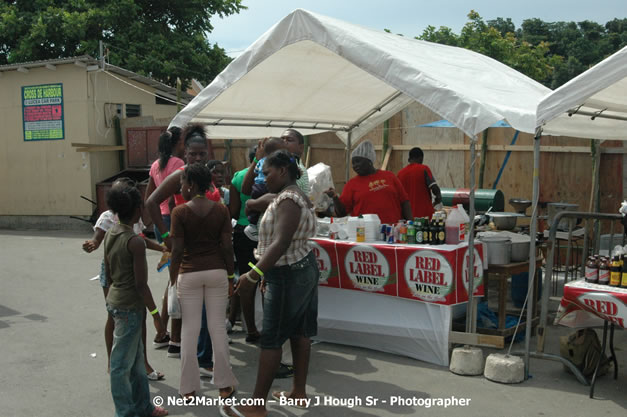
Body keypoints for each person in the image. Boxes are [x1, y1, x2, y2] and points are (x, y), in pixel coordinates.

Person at [220, 150, 319, 417]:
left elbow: (280, 243)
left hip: (287, 273)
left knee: (272, 338)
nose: (264, 178)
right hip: (302, 267)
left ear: (283, 171)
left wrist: (252, 275)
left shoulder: (288, 199)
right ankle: (299, 392)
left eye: (268, 173)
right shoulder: (295, 196)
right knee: (299, 332)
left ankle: (256, 406)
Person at [83, 177, 167, 381]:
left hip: (129, 270)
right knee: (116, 316)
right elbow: (98, 238)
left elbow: (141, 239)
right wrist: (157, 314)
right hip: (116, 273)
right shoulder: (108, 219)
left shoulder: (131, 219)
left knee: (134, 317)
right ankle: (114, 364)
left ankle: (143, 363)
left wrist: (164, 247)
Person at [144, 124, 215, 365]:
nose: (197, 157)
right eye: (192, 153)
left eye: (201, 153)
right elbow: (151, 202)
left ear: (207, 153)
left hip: (206, 246)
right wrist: (166, 237)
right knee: (183, 291)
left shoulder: (207, 175)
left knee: (191, 295)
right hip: (185, 244)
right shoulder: (180, 174)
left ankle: (180, 343)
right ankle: (188, 348)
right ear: (184, 154)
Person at [169, 163, 238, 400]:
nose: (181, 187)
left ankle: (188, 388)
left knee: (190, 329)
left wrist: (173, 279)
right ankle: (224, 384)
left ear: (190, 184)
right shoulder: (221, 210)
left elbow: (177, 251)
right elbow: (227, 247)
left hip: (189, 273)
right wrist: (231, 276)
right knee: (217, 327)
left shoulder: (179, 212)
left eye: (182, 183)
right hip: (217, 272)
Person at [103, 182, 168, 417]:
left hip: (116, 300)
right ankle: (126, 412)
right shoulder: (135, 242)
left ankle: (143, 406)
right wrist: (156, 316)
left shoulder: (113, 232)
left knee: (137, 360)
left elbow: (108, 271)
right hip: (130, 307)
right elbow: (141, 286)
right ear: (137, 209)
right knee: (120, 366)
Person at [144, 127, 185, 349]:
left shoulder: (155, 165)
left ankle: (163, 329)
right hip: (172, 221)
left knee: (173, 277)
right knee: (175, 279)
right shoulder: (178, 164)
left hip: (161, 223)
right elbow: (173, 198)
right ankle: (165, 332)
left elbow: (148, 196)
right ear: (178, 143)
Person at [325, 140, 412, 224]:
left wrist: (410, 223)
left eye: (358, 161)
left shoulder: (389, 176)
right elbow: (342, 213)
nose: (355, 166)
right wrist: (334, 197)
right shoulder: (351, 184)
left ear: (369, 161)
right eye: (353, 163)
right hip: (364, 234)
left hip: (392, 232)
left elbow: (404, 201)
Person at [227, 147, 261, 343]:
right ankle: (253, 328)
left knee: (244, 277)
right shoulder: (269, 175)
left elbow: (233, 210)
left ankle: (247, 326)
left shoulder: (238, 177)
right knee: (257, 280)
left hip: (242, 233)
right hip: (261, 233)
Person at [241, 137, 286, 241]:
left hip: (257, 186)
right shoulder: (277, 163)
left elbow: (256, 172)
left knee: (255, 207)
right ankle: (253, 227)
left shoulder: (261, 161)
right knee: (262, 204)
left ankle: (252, 225)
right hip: (265, 187)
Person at [397, 147, 442, 219]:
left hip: (408, 218)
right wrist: (438, 199)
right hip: (425, 216)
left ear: (409, 159)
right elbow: (434, 188)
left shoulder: (400, 174)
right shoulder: (424, 169)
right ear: (421, 158)